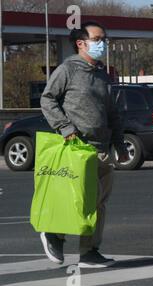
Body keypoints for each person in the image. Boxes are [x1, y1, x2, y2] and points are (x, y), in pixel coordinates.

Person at [40, 21, 129, 268]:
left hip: (102, 148)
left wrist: (119, 143)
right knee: (76, 200)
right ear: (81, 43)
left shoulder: (102, 74)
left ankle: (89, 250)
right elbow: (47, 100)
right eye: (98, 39)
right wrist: (65, 127)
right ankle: (54, 235)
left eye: (105, 39)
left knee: (98, 203)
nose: (103, 44)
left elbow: (113, 112)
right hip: (77, 147)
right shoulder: (68, 69)